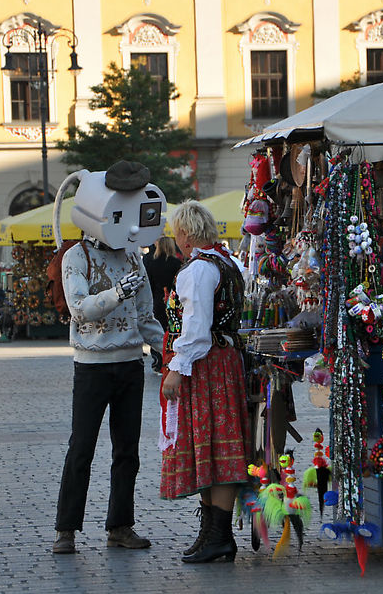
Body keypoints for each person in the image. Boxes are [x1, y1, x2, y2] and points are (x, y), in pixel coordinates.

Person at [53, 161, 166, 555]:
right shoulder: (75, 258)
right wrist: (118, 292)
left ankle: (120, 525)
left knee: (127, 451)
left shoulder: (134, 258)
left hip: (129, 365)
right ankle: (66, 530)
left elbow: (147, 317)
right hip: (92, 366)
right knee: (80, 448)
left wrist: (170, 348)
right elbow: (80, 308)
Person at [160, 200, 248, 564]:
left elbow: (196, 327)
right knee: (210, 445)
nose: (175, 239)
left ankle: (219, 536)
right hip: (222, 361)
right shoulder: (227, 261)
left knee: (216, 446)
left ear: (185, 233)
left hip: (207, 363)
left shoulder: (197, 270)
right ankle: (211, 533)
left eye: (176, 232)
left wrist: (176, 368)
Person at [142, 235, 182, 372]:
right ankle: (170, 359)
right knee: (171, 329)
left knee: (156, 329)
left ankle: (157, 361)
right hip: (172, 300)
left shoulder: (149, 260)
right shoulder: (176, 263)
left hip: (155, 298)